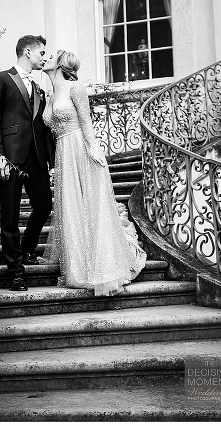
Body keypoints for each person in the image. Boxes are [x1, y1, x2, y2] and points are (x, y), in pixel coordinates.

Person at [41, 50, 147, 296]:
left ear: (58, 64)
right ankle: (78, 270)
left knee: (90, 207)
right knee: (71, 209)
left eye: (49, 56)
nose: (45, 59)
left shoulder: (75, 88)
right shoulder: (49, 94)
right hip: (62, 152)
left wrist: (93, 150)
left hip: (79, 148)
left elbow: (86, 122)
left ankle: (102, 268)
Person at [0, 34, 56, 292]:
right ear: (28, 52)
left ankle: (27, 249)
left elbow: (43, 128)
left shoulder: (38, 88)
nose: (44, 58)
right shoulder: (0, 79)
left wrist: (52, 161)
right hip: (10, 161)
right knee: (9, 216)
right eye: (41, 53)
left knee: (44, 205)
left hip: (36, 159)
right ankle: (15, 272)